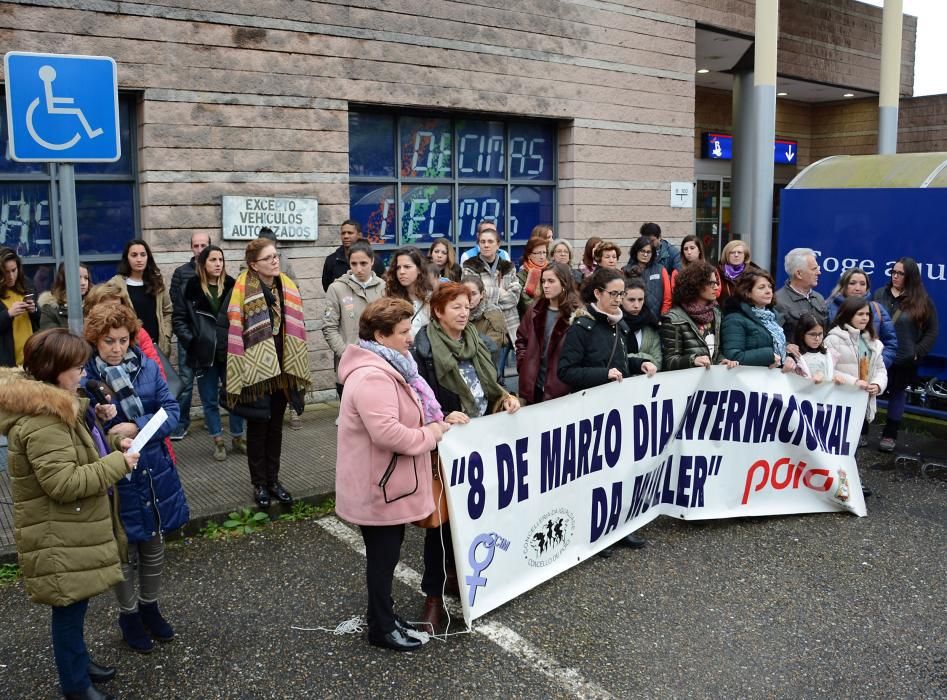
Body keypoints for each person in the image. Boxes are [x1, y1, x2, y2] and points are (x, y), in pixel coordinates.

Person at [0, 329, 139, 700]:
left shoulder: (57, 402)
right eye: (76, 365)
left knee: (75, 604)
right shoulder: (43, 420)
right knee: (68, 608)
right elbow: (64, 482)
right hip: (58, 533)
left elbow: (80, 451)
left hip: (68, 529)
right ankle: (75, 684)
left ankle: (78, 663)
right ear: (54, 368)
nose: (82, 371)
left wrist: (112, 443)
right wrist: (118, 463)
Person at [335, 297, 451, 651]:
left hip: (384, 484)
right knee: (383, 559)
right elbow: (386, 433)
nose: (410, 337)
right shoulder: (375, 376)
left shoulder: (387, 365)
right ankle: (381, 629)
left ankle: (382, 618)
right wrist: (429, 435)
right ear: (382, 336)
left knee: (385, 557)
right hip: (379, 486)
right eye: (403, 332)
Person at [411, 282, 520, 630]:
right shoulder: (423, 351)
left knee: (476, 514)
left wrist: (506, 397)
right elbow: (417, 401)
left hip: (481, 440)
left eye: (466, 305)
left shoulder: (479, 342)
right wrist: (441, 418)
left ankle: (462, 577)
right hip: (446, 445)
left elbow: (490, 386)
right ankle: (433, 596)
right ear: (438, 312)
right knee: (441, 523)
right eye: (455, 306)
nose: (463, 312)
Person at [82, 303, 188, 656]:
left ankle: (150, 606)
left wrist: (136, 426)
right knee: (124, 547)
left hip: (154, 466)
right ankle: (128, 615)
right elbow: (81, 434)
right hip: (116, 473)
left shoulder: (146, 367)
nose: (116, 348)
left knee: (154, 542)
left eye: (123, 340)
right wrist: (98, 420)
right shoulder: (83, 380)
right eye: (108, 341)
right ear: (95, 340)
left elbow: (171, 411)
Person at [558, 267, 655, 553]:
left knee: (621, 469)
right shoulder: (581, 327)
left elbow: (622, 361)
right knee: (595, 474)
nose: (618, 299)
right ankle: (596, 531)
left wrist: (640, 364)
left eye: (621, 294)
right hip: (591, 410)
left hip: (619, 408)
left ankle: (621, 525)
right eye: (613, 294)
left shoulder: (619, 324)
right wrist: (603, 374)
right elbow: (566, 371)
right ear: (597, 293)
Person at [226, 237, 311, 507]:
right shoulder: (241, 288)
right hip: (256, 372)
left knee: (276, 428)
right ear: (254, 264)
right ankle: (259, 484)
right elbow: (225, 329)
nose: (275, 261)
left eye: (276, 256)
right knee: (258, 428)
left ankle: (274, 480)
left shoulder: (286, 286)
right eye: (269, 258)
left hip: (283, 369)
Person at [172, 245, 245, 462]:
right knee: (210, 400)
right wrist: (193, 343)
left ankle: (238, 437)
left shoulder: (233, 286)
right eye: (213, 260)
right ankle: (218, 440)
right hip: (204, 354)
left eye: (220, 259)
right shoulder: (190, 287)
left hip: (230, 351)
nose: (218, 264)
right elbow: (179, 320)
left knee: (235, 397)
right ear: (203, 263)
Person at [873, 257, 939, 452]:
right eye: (893, 272)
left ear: (910, 276)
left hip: (903, 358)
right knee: (870, 392)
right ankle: (862, 432)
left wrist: (917, 352)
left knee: (897, 394)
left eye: (900, 273)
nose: (895, 276)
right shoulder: (880, 294)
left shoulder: (922, 301)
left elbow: (932, 330)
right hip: (878, 356)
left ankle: (889, 435)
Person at [322, 240, 385, 398]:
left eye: (363, 263)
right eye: (354, 263)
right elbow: (329, 327)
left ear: (372, 261)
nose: (358, 269)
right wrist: (345, 353)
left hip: (380, 363)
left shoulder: (384, 288)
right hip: (350, 364)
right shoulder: (336, 288)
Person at [824, 297, 888, 447]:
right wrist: (854, 382)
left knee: (852, 446)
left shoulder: (873, 341)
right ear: (848, 314)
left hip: (861, 401)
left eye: (867, 314)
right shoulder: (833, 339)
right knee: (834, 444)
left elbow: (880, 369)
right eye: (860, 314)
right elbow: (828, 370)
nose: (865, 318)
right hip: (838, 401)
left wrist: (877, 385)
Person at [515, 262, 581, 404]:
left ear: (564, 283)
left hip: (561, 390)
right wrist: (524, 365)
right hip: (534, 386)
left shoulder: (577, 314)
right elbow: (521, 340)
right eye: (543, 281)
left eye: (551, 281)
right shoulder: (535, 309)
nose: (545, 285)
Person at [462, 227, 521, 377]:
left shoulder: (508, 267)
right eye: (482, 242)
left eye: (490, 241)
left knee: (499, 374)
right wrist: (500, 290)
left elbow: (514, 297)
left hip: (508, 326)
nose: (486, 245)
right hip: (483, 324)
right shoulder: (469, 267)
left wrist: (487, 294)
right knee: (484, 372)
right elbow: (472, 296)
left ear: (498, 245)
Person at [168, 233, 210, 441]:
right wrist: (186, 336)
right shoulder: (181, 273)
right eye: (196, 245)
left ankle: (212, 422)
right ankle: (180, 424)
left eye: (204, 245)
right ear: (191, 248)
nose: (200, 249)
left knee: (210, 381)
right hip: (188, 338)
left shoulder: (216, 270)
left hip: (210, 338)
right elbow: (177, 308)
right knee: (185, 382)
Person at [661, 261, 739, 370]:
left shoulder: (716, 313)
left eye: (716, 282)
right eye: (711, 283)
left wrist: (722, 361)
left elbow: (716, 352)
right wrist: (693, 360)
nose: (716, 287)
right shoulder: (674, 319)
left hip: (709, 383)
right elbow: (669, 361)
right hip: (687, 383)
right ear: (696, 284)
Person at [721, 268, 795, 371]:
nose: (768, 291)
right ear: (748, 292)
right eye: (761, 287)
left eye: (770, 287)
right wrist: (769, 356)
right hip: (746, 382)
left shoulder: (772, 317)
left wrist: (788, 357)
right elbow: (733, 357)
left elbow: (774, 345)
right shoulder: (734, 318)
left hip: (771, 380)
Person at [827, 267, 897, 369]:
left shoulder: (877, 309)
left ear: (867, 288)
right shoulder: (828, 307)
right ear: (843, 286)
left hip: (869, 375)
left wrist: (876, 366)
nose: (858, 288)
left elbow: (890, 344)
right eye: (852, 283)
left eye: (862, 284)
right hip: (838, 375)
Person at [774, 247, 828, 340]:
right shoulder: (778, 301)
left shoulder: (819, 298)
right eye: (814, 269)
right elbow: (774, 338)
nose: (818, 272)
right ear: (799, 274)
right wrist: (787, 347)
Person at [0, 247, 40, 367]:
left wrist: (34, 310)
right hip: (6, 363)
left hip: (30, 358)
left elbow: (38, 321)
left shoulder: (27, 284)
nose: (11, 276)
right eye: (6, 272)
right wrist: (8, 314)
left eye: (14, 270)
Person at [321, 220, 386, 292]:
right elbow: (327, 287)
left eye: (350, 233)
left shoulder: (374, 260)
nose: (346, 236)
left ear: (359, 235)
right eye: (343, 233)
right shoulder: (331, 260)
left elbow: (383, 283)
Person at [386, 247, 433, 337]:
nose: (401, 272)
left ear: (419, 269)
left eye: (407, 267)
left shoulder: (433, 297)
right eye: (398, 268)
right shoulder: (391, 299)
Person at [461, 275, 505, 364]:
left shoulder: (493, 314)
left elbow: (492, 346)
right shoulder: (456, 312)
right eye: (465, 293)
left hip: (486, 363)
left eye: (474, 294)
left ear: (482, 294)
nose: (470, 298)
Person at [622, 236, 670, 316]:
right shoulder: (626, 270)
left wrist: (664, 314)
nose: (645, 254)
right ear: (636, 251)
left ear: (653, 253)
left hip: (656, 318)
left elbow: (667, 297)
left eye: (648, 252)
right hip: (632, 318)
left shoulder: (661, 270)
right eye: (642, 251)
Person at [622, 278, 663, 371]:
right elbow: (615, 360)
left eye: (640, 299)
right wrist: (645, 359)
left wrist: (633, 358)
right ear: (621, 299)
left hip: (647, 380)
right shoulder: (614, 323)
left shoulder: (651, 323)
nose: (636, 305)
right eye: (631, 300)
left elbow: (658, 363)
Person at [38, 262, 91, 330]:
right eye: (77, 278)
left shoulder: (96, 304)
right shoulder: (50, 308)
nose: (83, 283)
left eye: (86, 278)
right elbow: (52, 337)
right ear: (64, 280)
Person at [791, 314, 837, 383]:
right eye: (812, 334)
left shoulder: (829, 354)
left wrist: (837, 377)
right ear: (802, 334)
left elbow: (834, 373)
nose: (817, 338)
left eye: (820, 334)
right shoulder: (795, 356)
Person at [517, 236, 549, 316]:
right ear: (529, 255)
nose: (542, 257)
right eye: (538, 253)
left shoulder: (550, 272)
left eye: (544, 252)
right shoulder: (520, 276)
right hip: (530, 319)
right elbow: (526, 304)